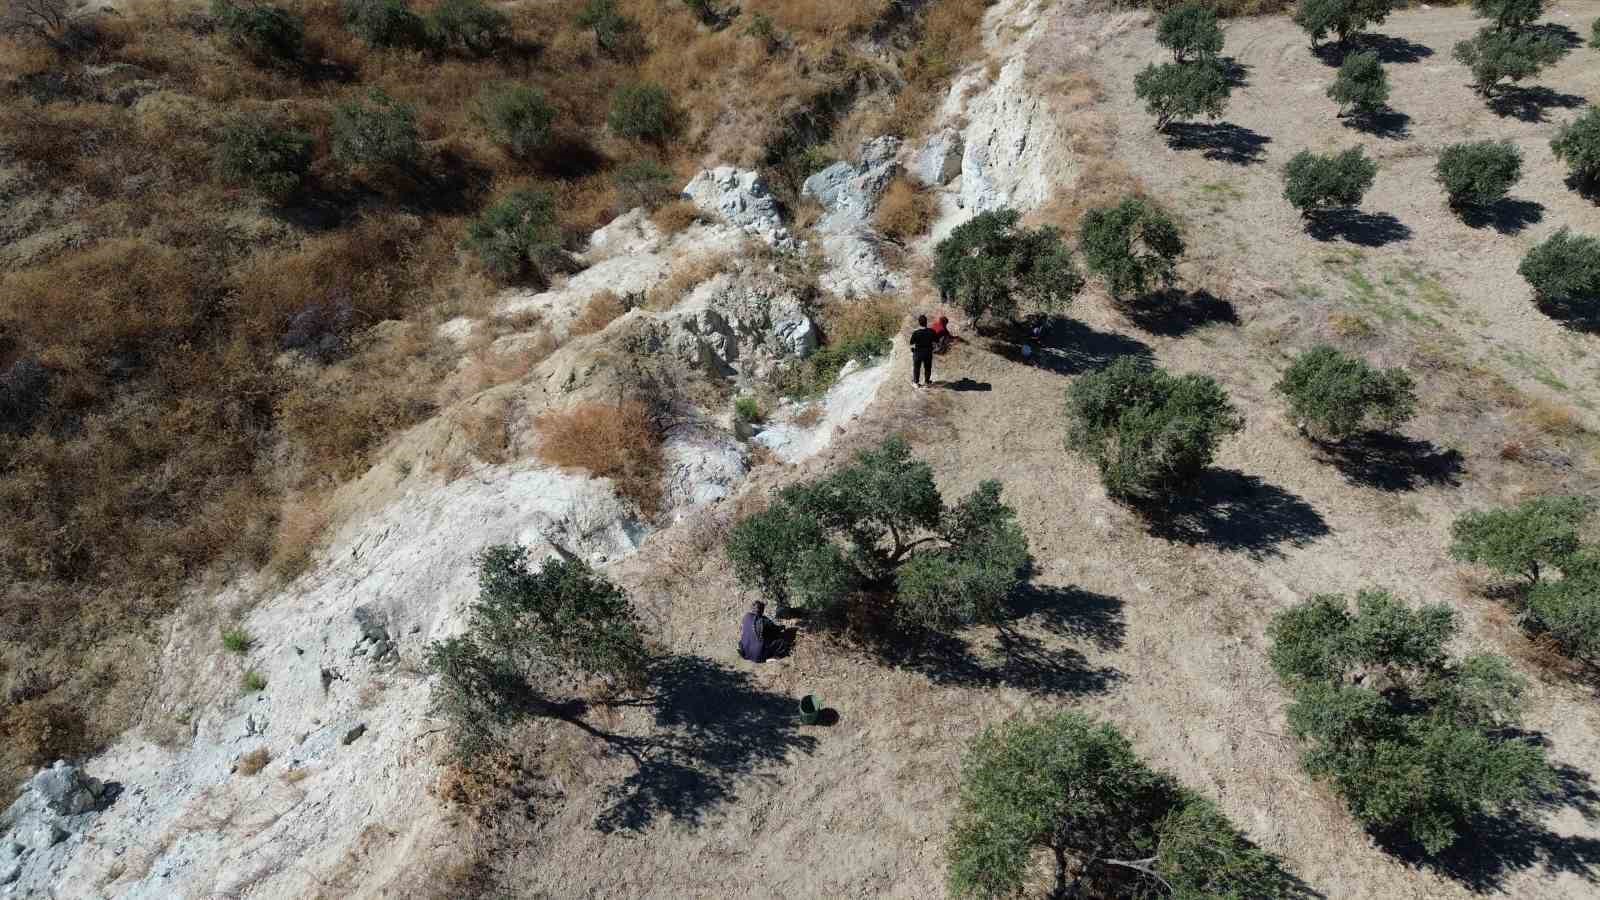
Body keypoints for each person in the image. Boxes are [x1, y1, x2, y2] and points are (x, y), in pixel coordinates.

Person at [909, 315, 936, 387]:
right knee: (927, 368)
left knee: (917, 368)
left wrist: (912, 350)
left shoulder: (916, 333)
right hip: (928, 353)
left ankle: (916, 383)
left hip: (918, 353)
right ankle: (927, 382)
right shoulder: (931, 331)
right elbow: (936, 341)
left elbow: (911, 343)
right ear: (926, 322)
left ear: (919, 323)